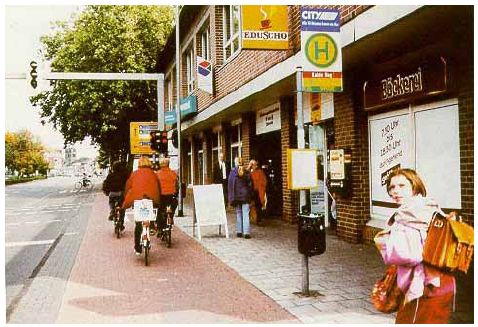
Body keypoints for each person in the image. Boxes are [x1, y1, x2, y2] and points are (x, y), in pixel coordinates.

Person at [376, 168, 455, 324]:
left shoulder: (407, 214)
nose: (395, 191)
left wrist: (383, 240)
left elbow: (407, 255)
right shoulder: (430, 207)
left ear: (415, 186)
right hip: (444, 281)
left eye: (402, 186)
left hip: (422, 286)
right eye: (392, 187)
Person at [121, 156, 161, 255]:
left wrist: (126, 197)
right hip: (150, 199)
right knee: (152, 212)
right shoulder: (153, 174)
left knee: (138, 224)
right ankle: (151, 225)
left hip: (137, 199)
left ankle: (137, 247)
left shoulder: (134, 174)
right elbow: (158, 187)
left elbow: (128, 187)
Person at [228, 157, 253, 239]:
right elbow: (250, 184)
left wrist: (230, 197)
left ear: (235, 163)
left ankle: (239, 232)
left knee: (239, 213)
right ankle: (246, 233)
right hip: (245, 196)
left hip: (236, 196)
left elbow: (230, 185)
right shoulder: (246, 172)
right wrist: (250, 194)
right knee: (246, 214)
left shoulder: (232, 172)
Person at [102, 161, 130, 230]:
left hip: (112, 193)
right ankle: (121, 223)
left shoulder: (110, 175)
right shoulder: (124, 175)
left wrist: (107, 192)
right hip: (121, 193)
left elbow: (105, 185)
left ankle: (112, 211)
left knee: (111, 202)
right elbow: (128, 185)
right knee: (122, 208)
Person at [155, 157, 178, 237]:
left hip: (162, 196)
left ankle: (159, 229)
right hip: (172, 196)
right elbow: (177, 185)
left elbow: (156, 186)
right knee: (173, 207)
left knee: (160, 210)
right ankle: (171, 217)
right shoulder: (173, 173)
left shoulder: (157, 174)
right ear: (168, 164)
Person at [248, 159, 267, 225]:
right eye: (252, 165)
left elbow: (264, 181)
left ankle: (259, 220)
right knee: (249, 205)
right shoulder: (249, 172)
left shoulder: (260, 172)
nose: (253, 166)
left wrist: (261, 188)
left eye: (254, 165)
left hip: (257, 191)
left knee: (258, 206)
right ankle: (249, 218)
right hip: (250, 191)